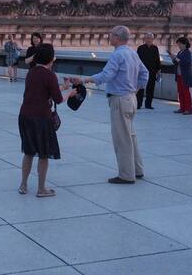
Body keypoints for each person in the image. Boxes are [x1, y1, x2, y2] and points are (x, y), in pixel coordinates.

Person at [74, 26, 148, 184]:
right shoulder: (132, 53)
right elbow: (145, 73)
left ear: (117, 37)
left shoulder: (118, 55)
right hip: (131, 98)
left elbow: (106, 75)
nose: (109, 36)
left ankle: (126, 175)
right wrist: (136, 88)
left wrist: (84, 80)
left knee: (122, 138)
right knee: (131, 136)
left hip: (120, 100)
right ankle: (137, 169)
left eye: (111, 34)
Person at [18, 43, 77, 197]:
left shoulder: (31, 72)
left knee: (29, 152)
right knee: (44, 154)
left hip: (25, 116)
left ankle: (23, 185)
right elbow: (57, 99)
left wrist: (62, 87)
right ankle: (41, 188)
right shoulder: (50, 75)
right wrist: (69, 94)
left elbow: (41, 92)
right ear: (51, 59)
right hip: (41, 118)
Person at [136, 33, 161, 109]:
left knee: (150, 88)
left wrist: (159, 70)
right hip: (142, 72)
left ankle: (148, 104)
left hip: (152, 71)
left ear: (152, 39)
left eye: (150, 38)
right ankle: (138, 104)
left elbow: (157, 60)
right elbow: (137, 60)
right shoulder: (140, 48)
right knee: (140, 88)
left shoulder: (155, 48)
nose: (149, 40)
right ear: (145, 39)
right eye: (147, 38)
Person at [171, 37, 192, 115]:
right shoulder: (180, 52)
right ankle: (182, 108)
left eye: (180, 44)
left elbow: (186, 62)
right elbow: (176, 62)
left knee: (186, 92)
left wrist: (176, 59)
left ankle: (188, 109)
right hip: (179, 75)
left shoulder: (188, 53)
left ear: (184, 44)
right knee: (180, 92)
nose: (179, 46)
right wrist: (173, 58)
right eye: (178, 44)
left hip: (185, 76)